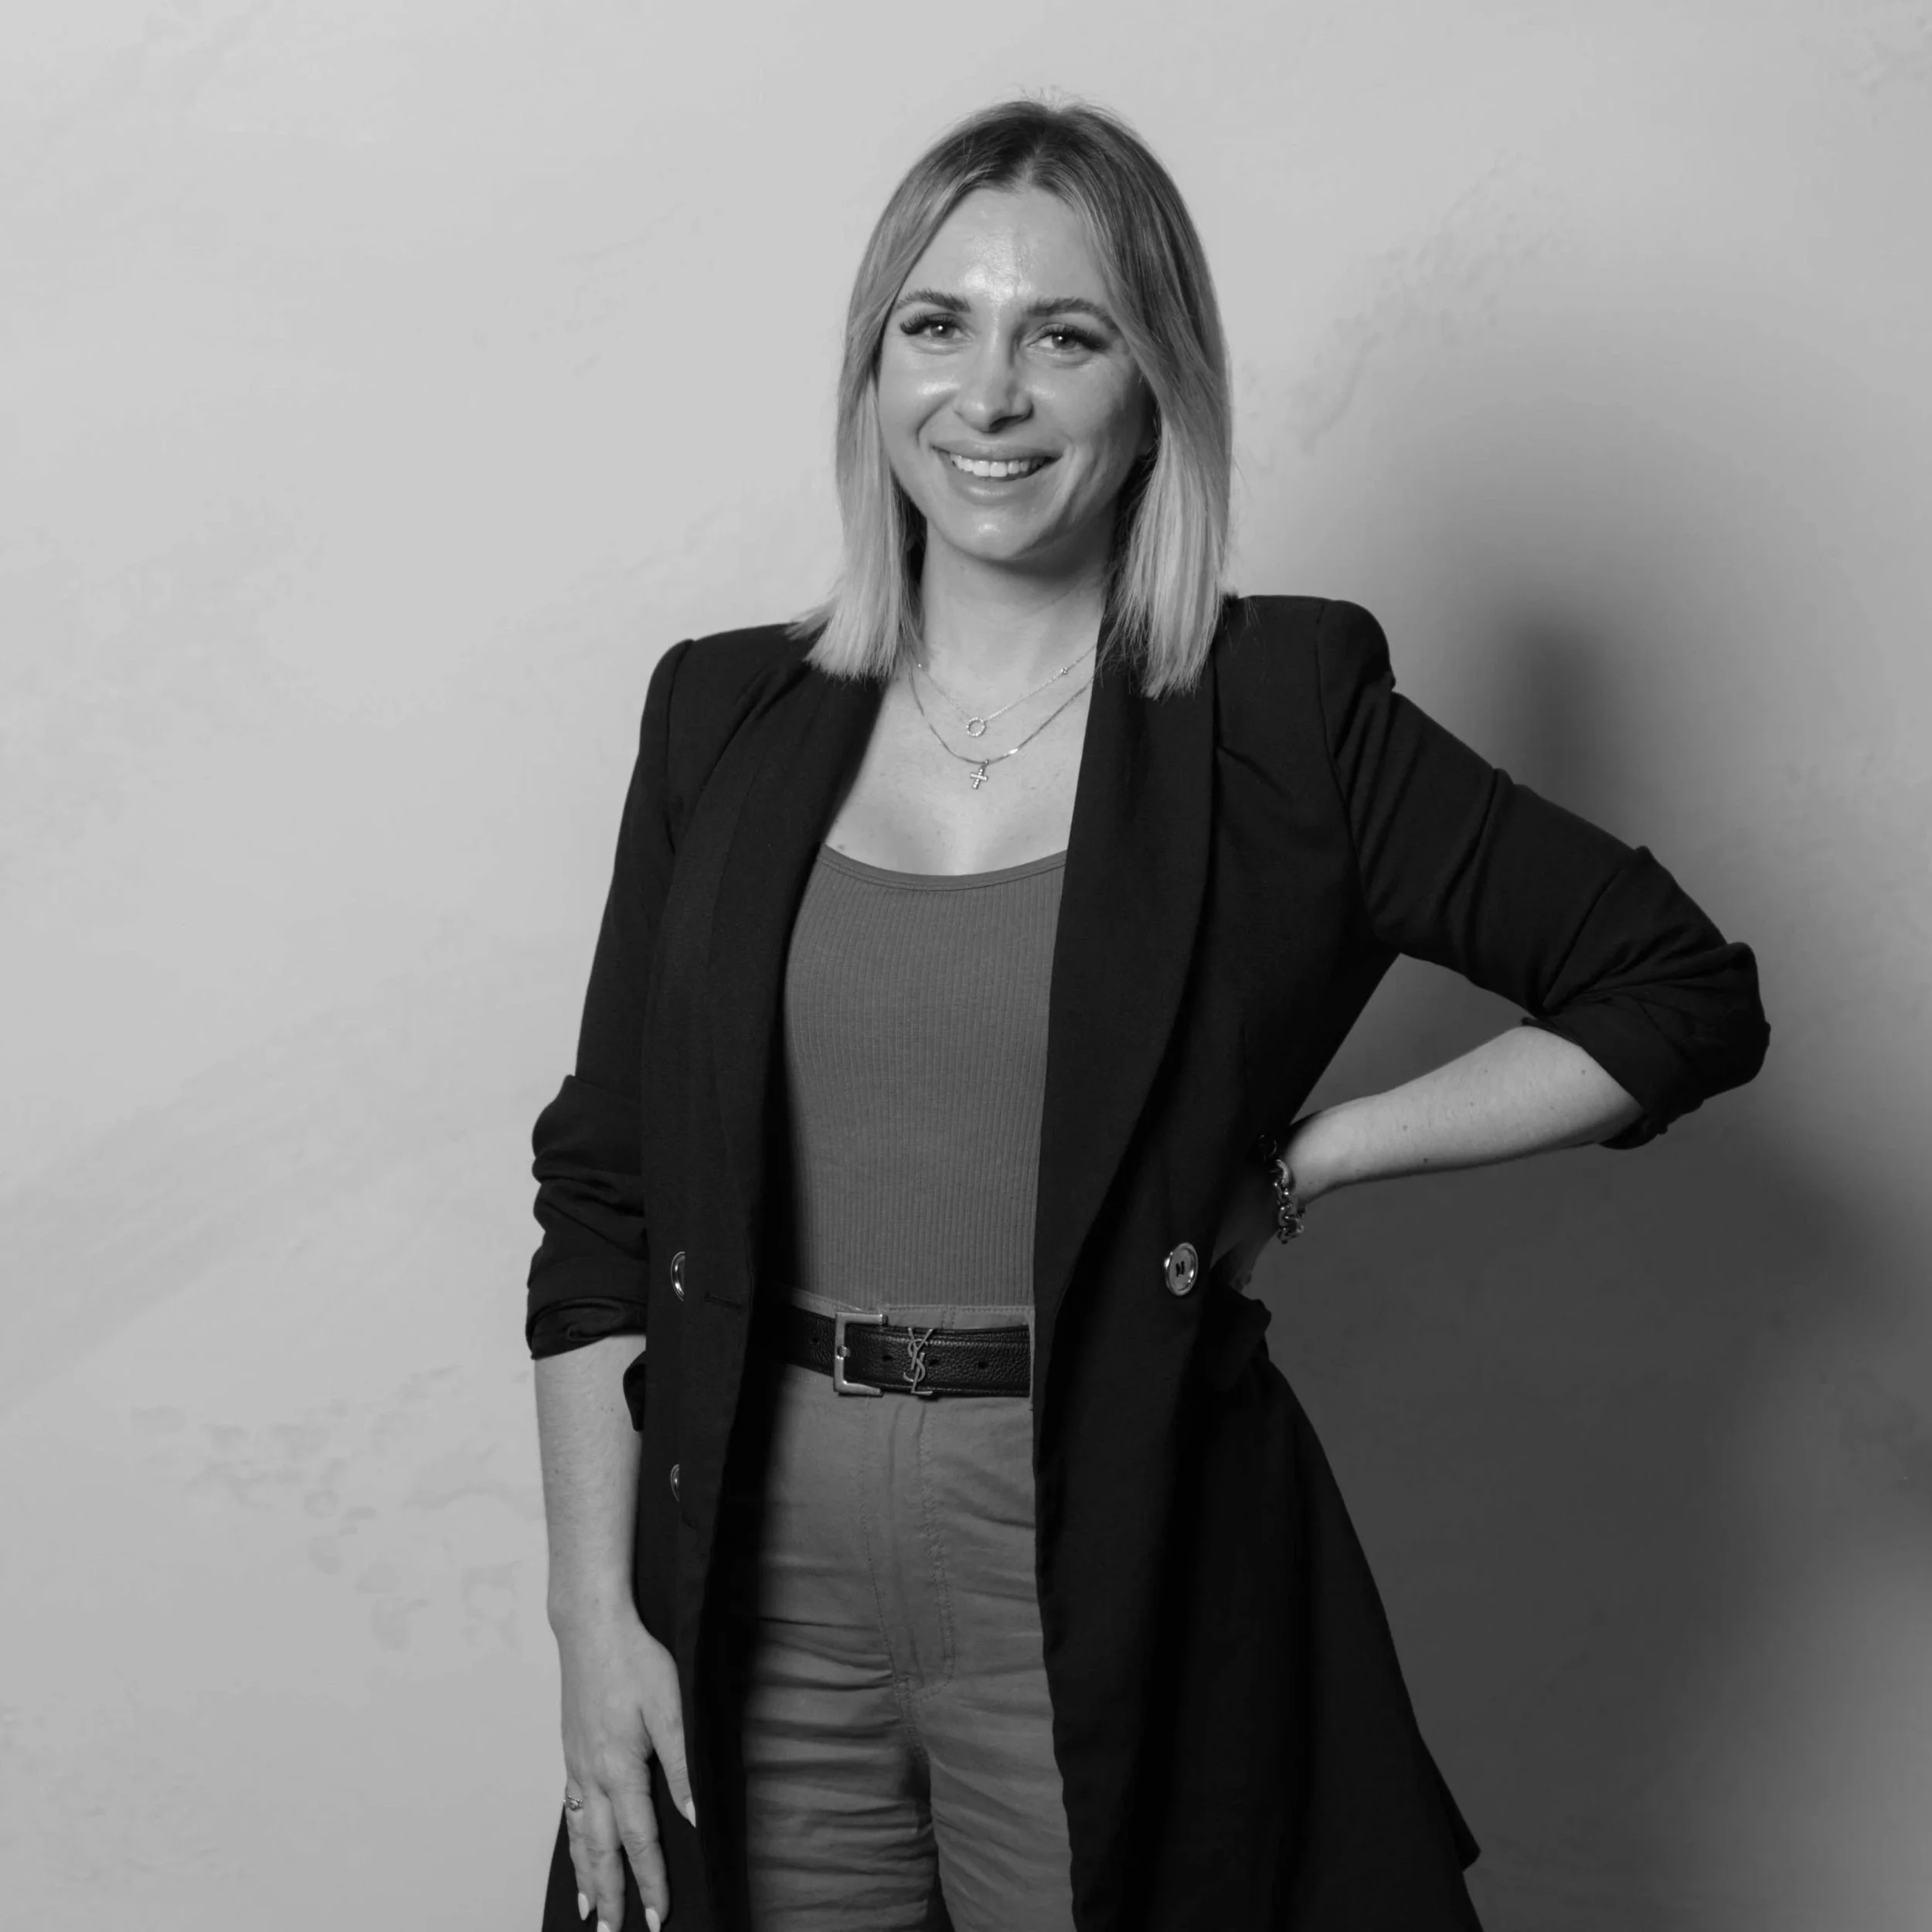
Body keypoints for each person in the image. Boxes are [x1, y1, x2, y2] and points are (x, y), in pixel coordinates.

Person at [524, 97, 1769, 1932]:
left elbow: (1676, 989)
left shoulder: (1277, 715)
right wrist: (589, 1627)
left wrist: (1319, 1150)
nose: (990, 391)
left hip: (1102, 1533)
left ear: (1153, 382)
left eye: (1065, 333)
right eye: (936, 325)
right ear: (872, 371)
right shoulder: (723, 719)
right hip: (755, 1546)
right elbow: (603, 1195)